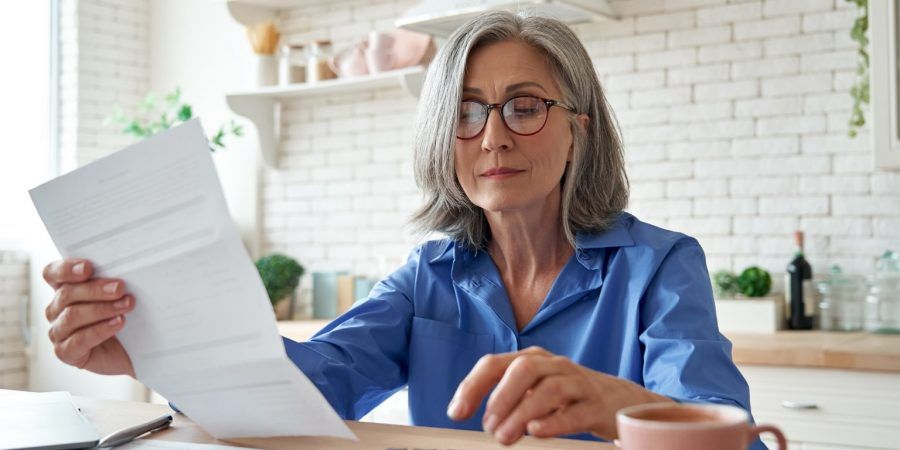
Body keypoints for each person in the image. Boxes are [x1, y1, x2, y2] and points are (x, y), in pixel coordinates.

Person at [42, 11, 765, 449]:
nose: (492, 138)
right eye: (466, 112)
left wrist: (615, 406)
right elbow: (309, 388)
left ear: (578, 129)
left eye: (523, 106)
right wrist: (150, 348)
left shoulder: (660, 266)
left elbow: (729, 435)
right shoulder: (429, 276)